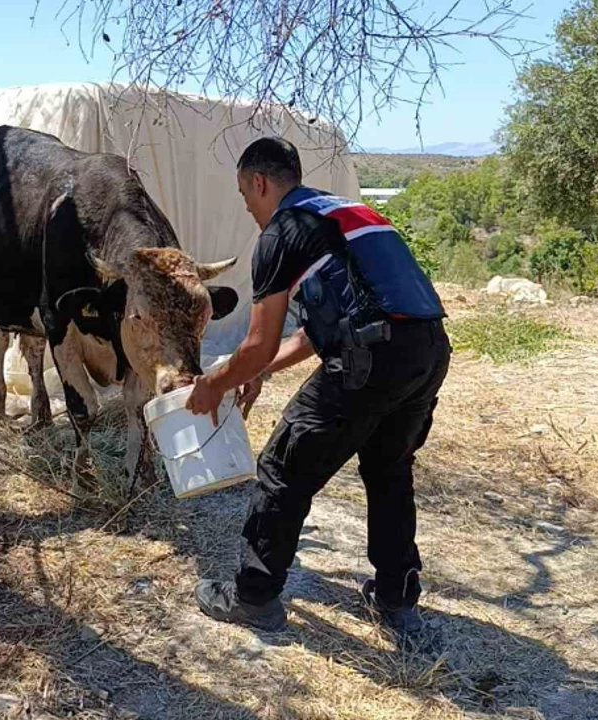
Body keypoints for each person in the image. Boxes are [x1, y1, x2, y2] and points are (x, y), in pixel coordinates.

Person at [184, 137, 450, 643]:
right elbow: (315, 331)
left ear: (259, 182)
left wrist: (214, 384)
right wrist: (257, 371)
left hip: (370, 362)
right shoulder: (346, 213)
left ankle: (254, 596)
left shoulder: (282, 232)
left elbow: (259, 342)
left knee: (284, 469)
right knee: (389, 469)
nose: (247, 208)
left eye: (245, 195)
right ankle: (396, 598)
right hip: (428, 352)